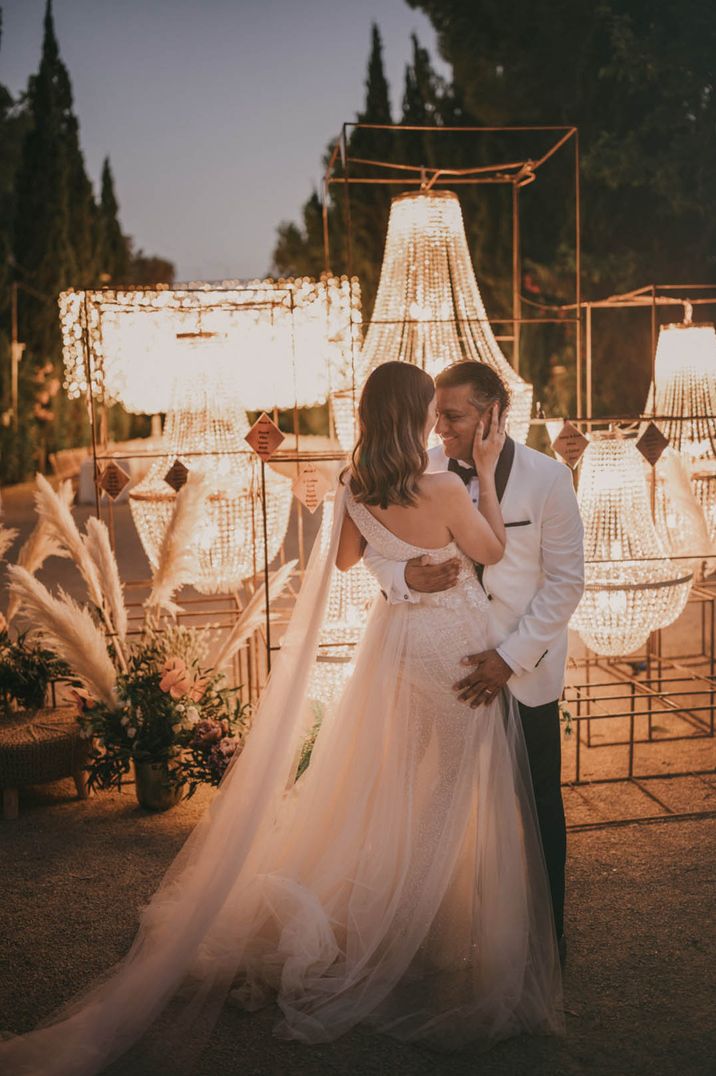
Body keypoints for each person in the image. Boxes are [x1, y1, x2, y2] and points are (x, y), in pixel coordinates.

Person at [0, 362, 563, 1075]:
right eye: (433, 412)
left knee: (396, 784)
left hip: (395, 649)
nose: (438, 423)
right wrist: (481, 468)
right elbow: (492, 548)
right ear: (419, 416)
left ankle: (395, 917)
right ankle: (407, 935)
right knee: (448, 790)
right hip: (454, 651)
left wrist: (403, 574)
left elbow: (352, 561)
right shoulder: (448, 485)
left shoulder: (357, 484)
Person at [363, 360, 585, 957]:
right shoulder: (423, 472)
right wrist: (402, 576)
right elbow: (378, 552)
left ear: (494, 415)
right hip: (444, 672)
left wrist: (509, 659)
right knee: (437, 798)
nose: (441, 430)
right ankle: (437, 934)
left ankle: (546, 940)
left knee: (536, 804)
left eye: (454, 417)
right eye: (437, 416)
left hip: (524, 674)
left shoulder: (548, 480)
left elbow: (564, 584)